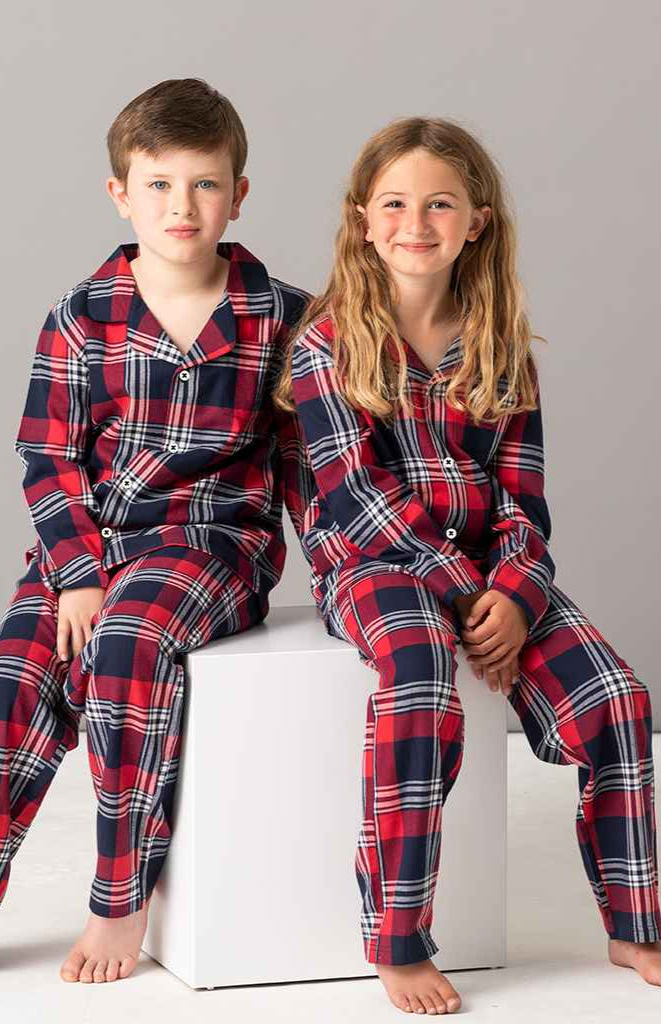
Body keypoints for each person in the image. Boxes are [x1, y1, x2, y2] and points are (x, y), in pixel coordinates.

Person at [274, 116, 661, 1015]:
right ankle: (398, 937)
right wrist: (465, 591)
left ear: (476, 222)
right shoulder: (330, 345)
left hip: (493, 573)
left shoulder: (499, 346)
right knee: (418, 680)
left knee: (617, 698)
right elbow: (355, 500)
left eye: (439, 204)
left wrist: (516, 592)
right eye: (397, 205)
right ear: (362, 220)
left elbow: (526, 499)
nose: (417, 223)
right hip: (372, 564)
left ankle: (632, 918)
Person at [0, 77, 310, 987]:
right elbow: (48, 456)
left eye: (205, 184)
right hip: (95, 549)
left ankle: (120, 896)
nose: (182, 207)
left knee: (130, 647)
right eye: (159, 184)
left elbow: (312, 468)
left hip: (216, 544)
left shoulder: (284, 317)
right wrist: (73, 575)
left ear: (238, 194)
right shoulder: (82, 316)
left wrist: (351, 580)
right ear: (120, 193)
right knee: (1, 691)